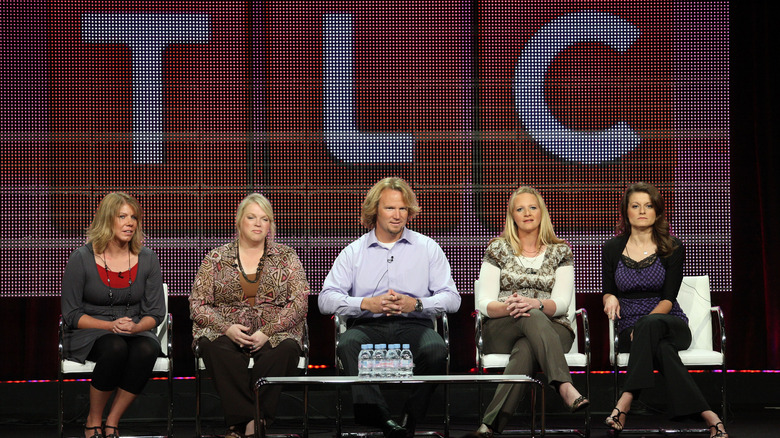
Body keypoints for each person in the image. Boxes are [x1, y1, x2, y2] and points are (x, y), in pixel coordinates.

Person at [318, 177, 461, 438]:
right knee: (348, 344)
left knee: (436, 350)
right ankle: (384, 421)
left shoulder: (427, 248)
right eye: (390, 208)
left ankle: (410, 418)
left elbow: (452, 298)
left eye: (403, 209)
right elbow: (325, 299)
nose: (397, 216)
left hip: (414, 324)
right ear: (375, 210)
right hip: (368, 325)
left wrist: (416, 303)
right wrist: (365, 303)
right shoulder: (354, 251)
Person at [602, 182, 727, 438]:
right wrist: (609, 298)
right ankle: (710, 416)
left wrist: (645, 325)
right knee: (662, 350)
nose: (642, 211)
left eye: (648, 206)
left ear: (658, 212)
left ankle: (624, 401)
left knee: (651, 329)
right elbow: (608, 288)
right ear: (626, 211)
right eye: (635, 206)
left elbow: (669, 299)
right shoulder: (612, 248)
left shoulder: (672, 246)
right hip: (629, 329)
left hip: (671, 323)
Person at [190, 193, 309, 438]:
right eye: (252, 217)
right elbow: (197, 305)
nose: (258, 224)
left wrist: (267, 332)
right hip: (226, 330)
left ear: (270, 225)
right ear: (239, 221)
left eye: (264, 219)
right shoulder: (216, 258)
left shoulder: (286, 256)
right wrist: (226, 328)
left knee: (283, 349)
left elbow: (299, 303)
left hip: (275, 330)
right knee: (218, 349)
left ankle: (241, 427)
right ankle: (253, 422)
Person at [473, 186, 589, 438]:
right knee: (529, 315)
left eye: (533, 207)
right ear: (512, 216)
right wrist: (512, 306)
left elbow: (561, 304)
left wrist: (534, 304)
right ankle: (564, 385)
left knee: (527, 345)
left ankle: (490, 426)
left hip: (554, 329)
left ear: (542, 213)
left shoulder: (561, 251)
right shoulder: (497, 249)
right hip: (503, 325)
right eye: (520, 208)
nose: (527, 213)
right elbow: (484, 303)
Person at [61, 192, 166, 438]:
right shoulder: (81, 258)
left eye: (134, 217)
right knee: (115, 347)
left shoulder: (148, 259)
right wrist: (109, 326)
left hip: (134, 327)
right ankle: (93, 419)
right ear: (107, 220)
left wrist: (137, 328)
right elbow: (72, 314)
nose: (130, 222)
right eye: (122, 216)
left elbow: (155, 313)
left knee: (146, 349)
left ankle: (113, 421)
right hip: (89, 330)